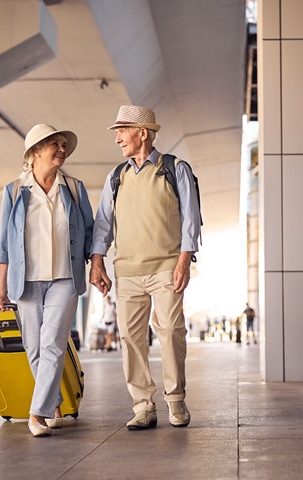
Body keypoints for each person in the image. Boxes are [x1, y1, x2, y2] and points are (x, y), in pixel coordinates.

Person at [90, 105, 201, 430]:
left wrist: (184, 259)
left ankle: (175, 400)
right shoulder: (116, 177)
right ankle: (143, 405)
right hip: (127, 270)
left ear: (142, 133)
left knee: (170, 333)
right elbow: (103, 225)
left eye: (121, 131)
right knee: (130, 337)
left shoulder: (174, 168)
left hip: (167, 267)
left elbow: (191, 219)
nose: (117, 139)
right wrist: (98, 261)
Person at [0, 124, 94, 437]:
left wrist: (99, 266)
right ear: (36, 151)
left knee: (52, 344)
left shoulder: (74, 188)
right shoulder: (14, 191)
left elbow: (89, 232)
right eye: (55, 144)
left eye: (64, 144)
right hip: (26, 280)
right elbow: (4, 243)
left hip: (65, 277)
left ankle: (36, 413)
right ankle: (53, 406)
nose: (62, 150)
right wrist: (0, 284)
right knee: (34, 347)